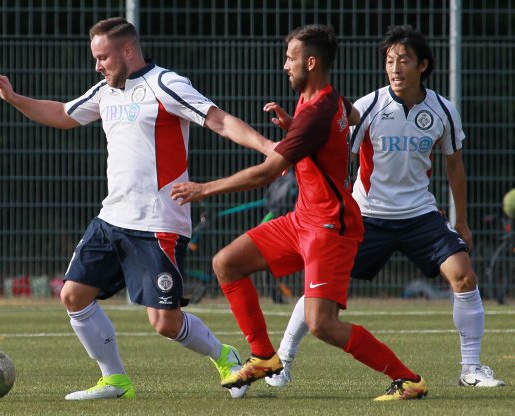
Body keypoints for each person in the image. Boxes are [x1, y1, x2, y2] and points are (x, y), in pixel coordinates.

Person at [0, 17, 277, 400]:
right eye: (95, 58)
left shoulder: (165, 84)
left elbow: (219, 121)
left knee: (165, 323)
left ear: (127, 50)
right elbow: (61, 115)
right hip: (111, 219)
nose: (98, 65)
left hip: (158, 225)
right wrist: (15, 98)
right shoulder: (105, 91)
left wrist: (271, 149)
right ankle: (115, 380)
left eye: (102, 56)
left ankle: (226, 357)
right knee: (73, 295)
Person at [171, 24, 428, 401]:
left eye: (290, 58)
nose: (285, 65)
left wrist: (203, 188)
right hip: (301, 219)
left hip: (329, 226)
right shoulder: (327, 102)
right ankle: (262, 356)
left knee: (322, 325)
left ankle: (409, 379)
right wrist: (300, 131)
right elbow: (352, 116)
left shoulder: (319, 110)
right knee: (227, 262)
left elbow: (266, 173)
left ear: (311, 62)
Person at [265, 25, 505, 389]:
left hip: (421, 216)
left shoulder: (443, 109)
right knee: (320, 289)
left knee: (464, 276)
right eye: (390, 61)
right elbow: (328, 141)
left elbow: (454, 166)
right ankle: (281, 362)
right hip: (367, 217)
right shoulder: (368, 106)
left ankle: (471, 369)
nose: (395, 68)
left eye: (404, 60)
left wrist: (463, 222)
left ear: (422, 65)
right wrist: (294, 126)